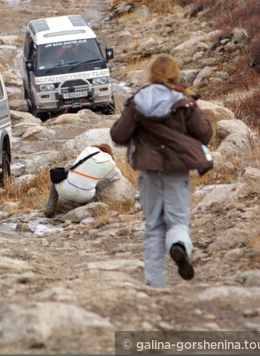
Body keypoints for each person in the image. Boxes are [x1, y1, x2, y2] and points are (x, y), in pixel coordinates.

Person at [110, 54, 213, 287]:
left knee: (154, 226)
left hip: (148, 171)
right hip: (177, 171)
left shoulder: (138, 101)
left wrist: (131, 113)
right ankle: (178, 247)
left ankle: (155, 284)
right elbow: (204, 134)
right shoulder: (184, 100)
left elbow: (118, 136)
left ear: (152, 74)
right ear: (176, 73)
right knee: (178, 221)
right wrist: (196, 109)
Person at [45, 144, 122, 217]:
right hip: (86, 197)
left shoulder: (87, 151)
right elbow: (117, 176)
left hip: (66, 193)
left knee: (56, 176)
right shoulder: (110, 163)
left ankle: (50, 209)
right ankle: (84, 206)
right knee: (94, 183)